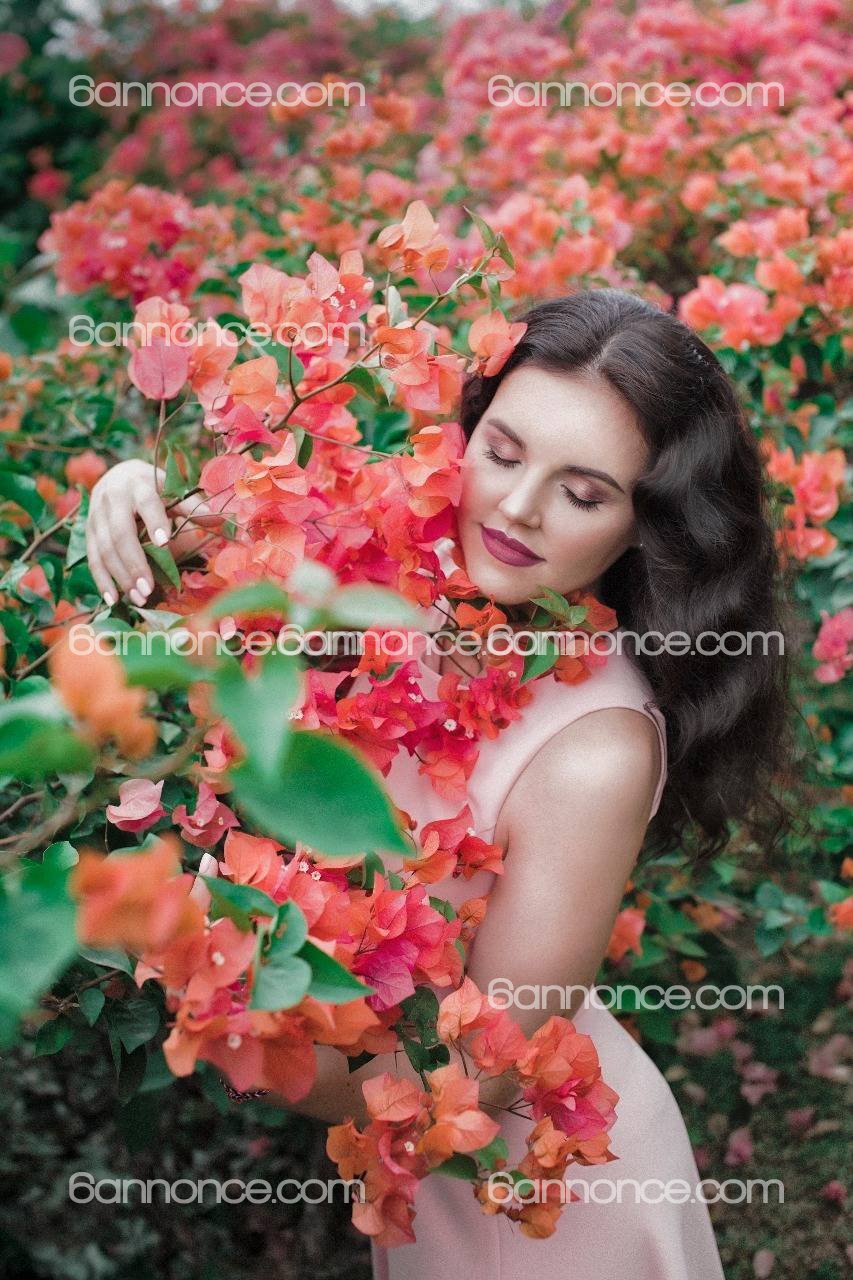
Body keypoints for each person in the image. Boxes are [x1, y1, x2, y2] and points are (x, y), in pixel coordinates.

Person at [86, 288, 791, 1279]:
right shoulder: (407, 570)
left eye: (583, 494)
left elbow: (476, 1076)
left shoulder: (598, 750)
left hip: (537, 1211)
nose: (516, 506)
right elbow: (203, 550)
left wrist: (221, 1009)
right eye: (501, 452)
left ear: (643, 526)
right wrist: (127, 495)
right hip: (431, 1189)